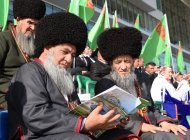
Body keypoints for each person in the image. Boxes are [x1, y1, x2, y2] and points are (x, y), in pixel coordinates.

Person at [6, 12, 138, 140]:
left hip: (70, 132)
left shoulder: (63, 78)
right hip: (36, 136)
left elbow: (78, 112)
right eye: (65, 52)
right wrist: (84, 123)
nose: (69, 59)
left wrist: (104, 119)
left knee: (123, 135)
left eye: (73, 55)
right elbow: (35, 116)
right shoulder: (30, 71)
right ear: (47, 47)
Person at [95, 27, 190, 140]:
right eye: (118, 62)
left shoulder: (141, 80)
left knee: (185, 132)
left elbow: (151, 108)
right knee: (163, 137)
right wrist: (141, 126)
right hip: (126, 131)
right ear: (111, 64)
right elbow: (111, 117)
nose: (124, 66)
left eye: (127, 61)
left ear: (133, 62)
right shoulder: (104, 84)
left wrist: (163, 122)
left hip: (151, 126)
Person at [0, 0, 46, 108]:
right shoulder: (3, 39)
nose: (33, 28)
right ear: (18, 19)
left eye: (36, 24)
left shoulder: (35, 44)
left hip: (32, 96)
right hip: (7, 99)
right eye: (29, 22)